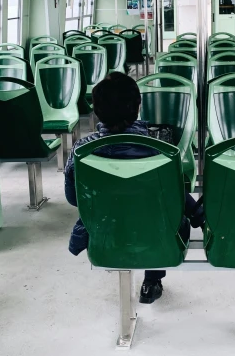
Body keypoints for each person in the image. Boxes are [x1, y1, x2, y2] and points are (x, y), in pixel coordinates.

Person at [65, 71, 204, 305]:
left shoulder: (82, 150)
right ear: (138, 106)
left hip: (105, 233)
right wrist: (196, 212)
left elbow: (73, 198)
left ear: (96, 110)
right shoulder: (161, 149)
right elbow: (175, 198)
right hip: (158, 236)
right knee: (160, 216)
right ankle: (152, 281)